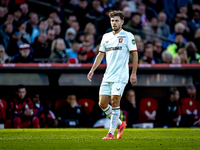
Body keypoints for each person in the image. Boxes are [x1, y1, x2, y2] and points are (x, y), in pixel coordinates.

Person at [87, 10, 138, 139]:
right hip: (108, 75)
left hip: (121, 75)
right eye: (112, 20)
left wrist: (134, 73)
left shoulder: (128, 36)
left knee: (115, 101)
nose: (114, 23)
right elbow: (100, 54)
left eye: (116, 20)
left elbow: (135, 54)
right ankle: (121, 124)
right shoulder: (106, 37)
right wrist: (92, 69)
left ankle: (111, 133)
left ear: (122, 22)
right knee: (102, 103)